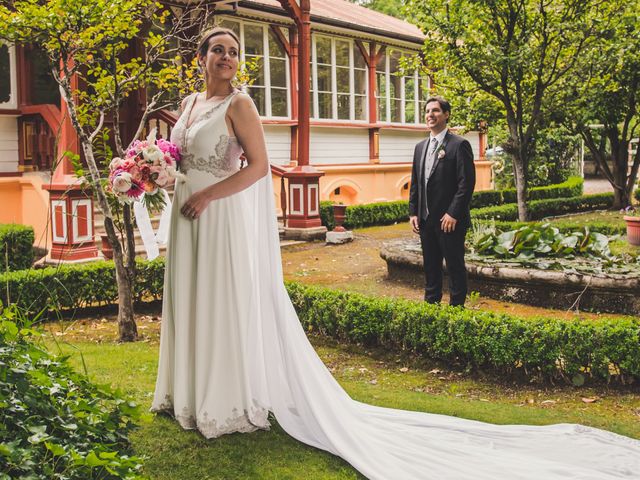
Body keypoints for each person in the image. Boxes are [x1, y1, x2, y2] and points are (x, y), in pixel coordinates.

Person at [151, 27, 640, 479]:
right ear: (200, 57)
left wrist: (208, 194)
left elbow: (258, 167)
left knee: (217, 303)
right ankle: (185, 393)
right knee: (189, 300)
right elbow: (180, 155)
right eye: (219, 50)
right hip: (185, 216)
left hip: (215, 217)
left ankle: (222, 399)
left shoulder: (241, 104)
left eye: (235, 51)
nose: (228, 58)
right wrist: (157, 173)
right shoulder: (190, 102)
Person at [409, 96, 475, 307]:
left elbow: (466, 184)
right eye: (428, 111)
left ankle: (456, 311)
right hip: (426, 220)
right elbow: (416, 182)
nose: (430, 115)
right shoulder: (420, 147)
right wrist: (413, 212)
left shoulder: (459, 145)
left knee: (455, 268)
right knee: (430, 268)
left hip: (450, 221)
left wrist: (453, 213)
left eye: (436, 111)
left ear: (446, 115)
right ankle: (431, 308)